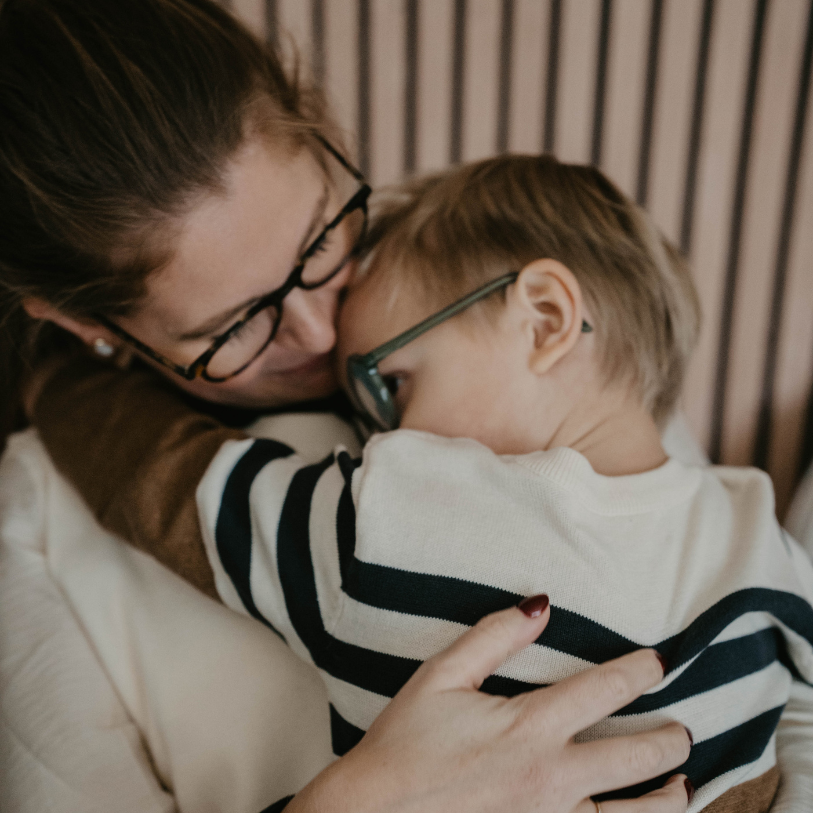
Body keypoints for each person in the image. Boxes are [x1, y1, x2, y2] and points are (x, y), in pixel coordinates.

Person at [0, 0, 703, 811]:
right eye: (232, 325)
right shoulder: (32, 534)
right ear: (85, 325)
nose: (319, 327)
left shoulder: (495, 302)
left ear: (325, 136)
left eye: (319, 240)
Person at [28, 155, 813, 812]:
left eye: (386, 385)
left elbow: (164, 478)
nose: (376, 435)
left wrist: (60, 377)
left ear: (542, 320)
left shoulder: (403, 510)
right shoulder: (751, 526)